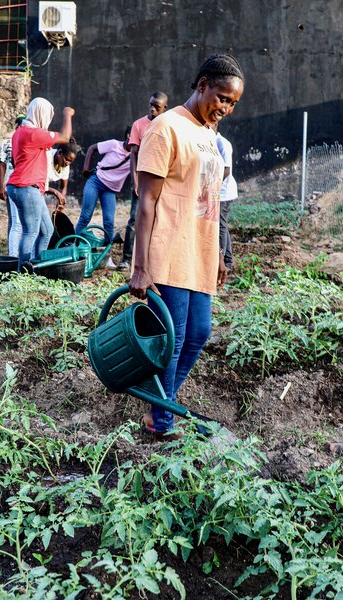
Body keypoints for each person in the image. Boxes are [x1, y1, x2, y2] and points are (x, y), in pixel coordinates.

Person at [130, 54, 244, 441]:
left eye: (232, 104)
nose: (225, 108)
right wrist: (141, 265)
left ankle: (158, 403)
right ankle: (161, 423)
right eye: (222, 98)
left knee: (198, 333)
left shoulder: (209, 136)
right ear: (202, 86)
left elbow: (209, 202)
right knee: (173, 339)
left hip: (199, 252)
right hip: (167, 250)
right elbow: (146, 201)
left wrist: (220, 254)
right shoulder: (166, 128)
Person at [7, 98, 74, 267]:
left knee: (47, 230)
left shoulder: (19, 133)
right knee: (31, 231)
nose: (48, 120)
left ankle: (37, 266)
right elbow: (65, 137)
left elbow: (16, 161)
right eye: (48, 115)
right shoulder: (33, 133)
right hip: (27, 188)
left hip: (22, 187)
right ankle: (24, 271)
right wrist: (68, 114)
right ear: (41, 114)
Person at [118, 91, 169, 270]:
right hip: (143, 179)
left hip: (162, 180)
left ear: (165, 108)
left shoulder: (168, 125)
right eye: (151, 105)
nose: (153, 109)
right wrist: (135, 181)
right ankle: (127, 258)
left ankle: (154, 260)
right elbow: (133, 154)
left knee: (160, 219)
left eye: (157, 107)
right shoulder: (139, 125)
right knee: (134, 219)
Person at [75, 127, 133, 268]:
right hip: (96, 181)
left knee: (109, 221)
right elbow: (92, 148)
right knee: (86, 216)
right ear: (127, 135)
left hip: (110, 190)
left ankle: (107, 258)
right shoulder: (114, 144)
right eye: (133, 136)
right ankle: (74, 248)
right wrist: (85, 168)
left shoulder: (135, 157)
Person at [0, 114, 26, 258]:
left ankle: (13, 251)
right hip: (12, 183)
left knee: (15, 220)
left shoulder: (25, 140)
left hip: (21, 182)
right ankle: (14, 256)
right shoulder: (7, 142)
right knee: (16, 221)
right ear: (16, 126)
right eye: (20, 125)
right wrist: (1, 186)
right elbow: (2, 165)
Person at [215, 124, 237, 270]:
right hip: (219, 191)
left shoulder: (222, 143)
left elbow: (227, 170)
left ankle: (221, 261)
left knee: (220, 226)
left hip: (223, 192)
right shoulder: (210, 141)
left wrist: (213, 187)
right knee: (222, 225)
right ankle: (228, 260)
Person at [45, 141, 78, 211]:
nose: (68, 163)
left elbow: (63, 187)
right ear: (60, 152)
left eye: (70, 161)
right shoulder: (46, 157)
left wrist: (60, 202)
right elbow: (38, 184)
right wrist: (56, 193)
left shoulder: (65, 165)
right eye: (66, 159)